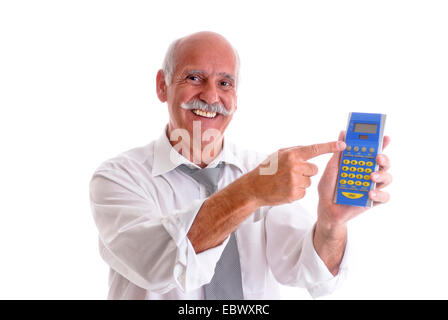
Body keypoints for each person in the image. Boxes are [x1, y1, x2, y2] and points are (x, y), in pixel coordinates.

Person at [89, 31, 392, 299]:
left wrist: (330, 222)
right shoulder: (117, 178)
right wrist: (250, 192)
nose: (210, 96)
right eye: (194, 78)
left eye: (224, 83)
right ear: (162, 86)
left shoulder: (263, 172)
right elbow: (160, 264)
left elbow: (312, 274)